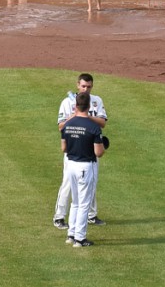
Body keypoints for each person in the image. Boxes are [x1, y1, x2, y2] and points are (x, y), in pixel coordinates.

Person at [53, 73, 108, 231]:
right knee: (67, 184)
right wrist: (76, 116)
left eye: (89, 86)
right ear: (78, 85)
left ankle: (91, 215)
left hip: (91, 148)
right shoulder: (67, 102)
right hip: (73, 149)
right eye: (83, 86)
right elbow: (61, 126)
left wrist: (86, 116)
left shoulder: (96, 101)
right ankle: (59, 217)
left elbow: (102, 122)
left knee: (92, 182)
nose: (86, 89)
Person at [61, 91, 105, 248]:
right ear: (89, 106)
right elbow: (98, 152)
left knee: (75, 202)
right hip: (86, 166)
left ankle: (71, 235)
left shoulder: (67, 124)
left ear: (76, 106)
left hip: (71, 165)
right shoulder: (93, 127)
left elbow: (64, 148)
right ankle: (80, 238)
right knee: (84, 204)